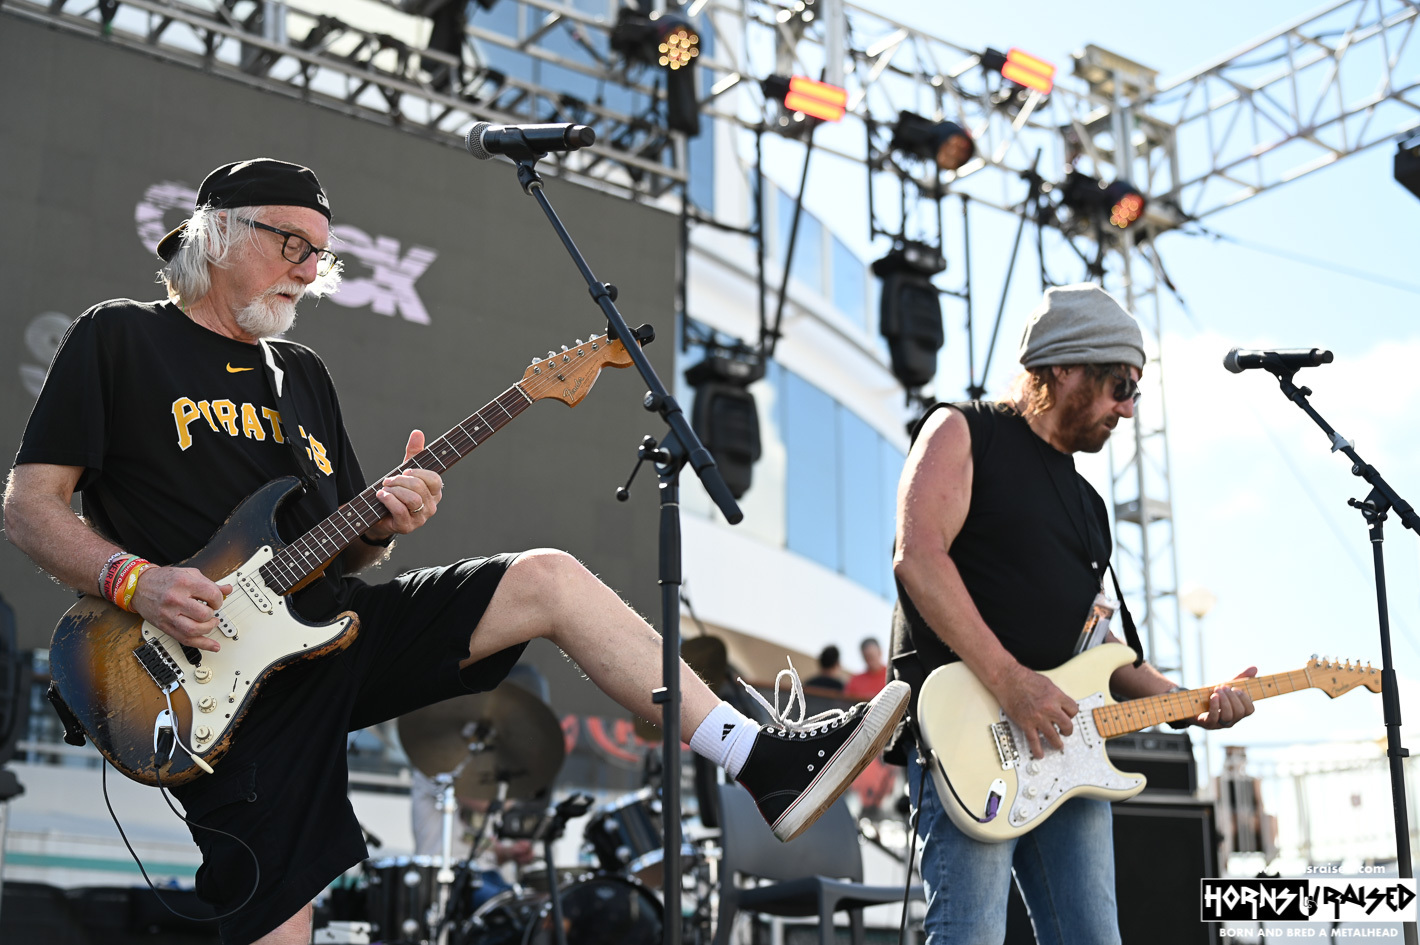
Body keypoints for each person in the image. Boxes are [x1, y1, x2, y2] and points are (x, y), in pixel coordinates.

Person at [2, 159, 909, 945]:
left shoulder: (301, 376)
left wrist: (384, 520)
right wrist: (137, 580)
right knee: (280, 919)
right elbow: (29, 507)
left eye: (322, 255)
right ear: (219, 234)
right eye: (293, 245)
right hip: (193, 673)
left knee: (547, 577)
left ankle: (760, 757)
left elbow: (339, 552)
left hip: (323, 630)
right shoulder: (120, 336)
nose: (310, 270)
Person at [888, 284, 1255, 944]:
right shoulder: (964, 431)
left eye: (1136, 392)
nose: (1129, 408)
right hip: (971, 738)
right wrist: (1013, 682)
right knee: (971, 935)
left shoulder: (1088, 504)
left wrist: (1190, 702)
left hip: (1065, 747)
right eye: (1120, 386)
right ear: (1063, 368)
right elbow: (918, 558)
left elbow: (1097, 643)